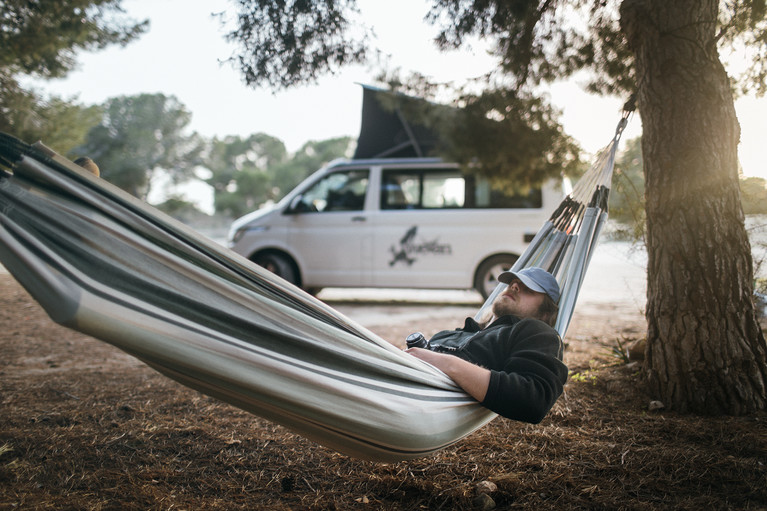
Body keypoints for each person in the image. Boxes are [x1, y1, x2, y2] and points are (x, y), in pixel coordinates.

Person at [406, 267, 567, 424]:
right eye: (512, 283)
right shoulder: (452, 333)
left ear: (545, 313)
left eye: (528, 289)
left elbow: (534, 401)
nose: (514, 286)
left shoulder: (535, 332)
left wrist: (447, 363)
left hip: (415, 402)